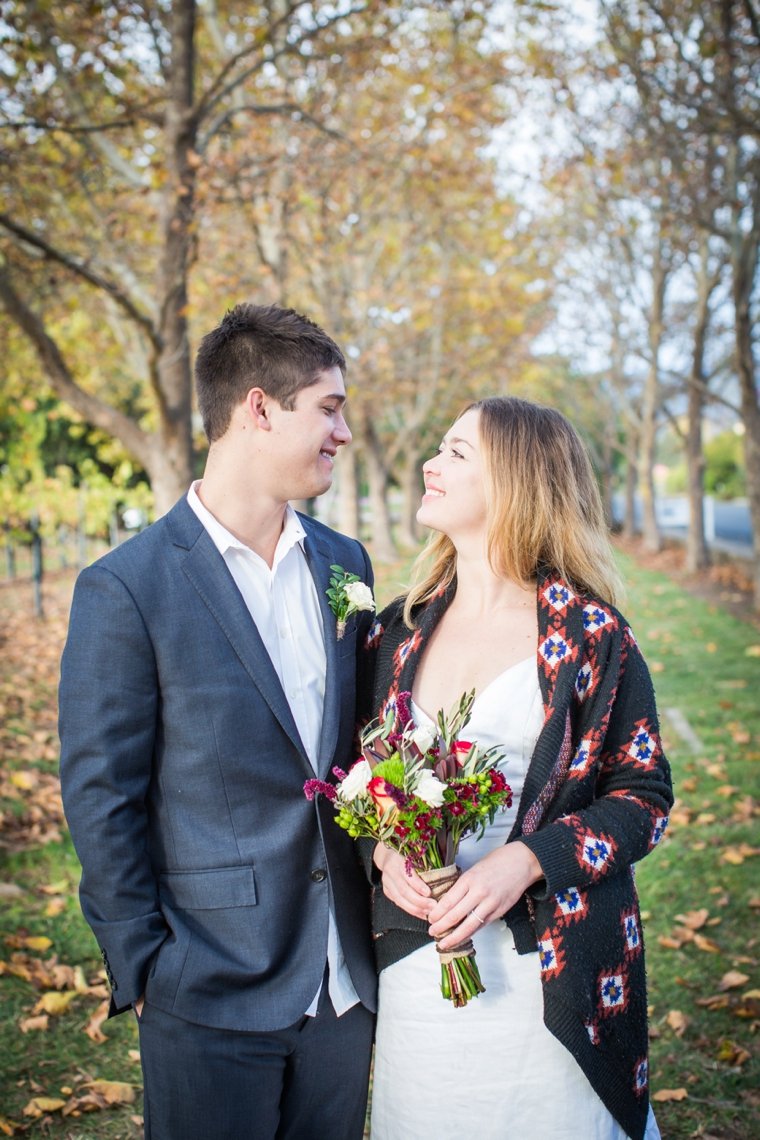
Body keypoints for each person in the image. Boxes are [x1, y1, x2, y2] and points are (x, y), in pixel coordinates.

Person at [58, 304, 377, 1140]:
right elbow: (101, 795)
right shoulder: (126, 588)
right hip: (208, 992)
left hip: (346, 986)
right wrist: (149, 968)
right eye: (329, 407)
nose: (343, 432)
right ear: (260, 408)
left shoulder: (347, 565)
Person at [360, 396, 672, 1140]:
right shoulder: (397, 631)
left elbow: (644, 796)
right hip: (419, 965)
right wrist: (381, 849)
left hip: (552, 978)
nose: (430, 465)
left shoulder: (591, 636)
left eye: (456, 453)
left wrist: (529, 861)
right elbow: (364, 773)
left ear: (517, 482)